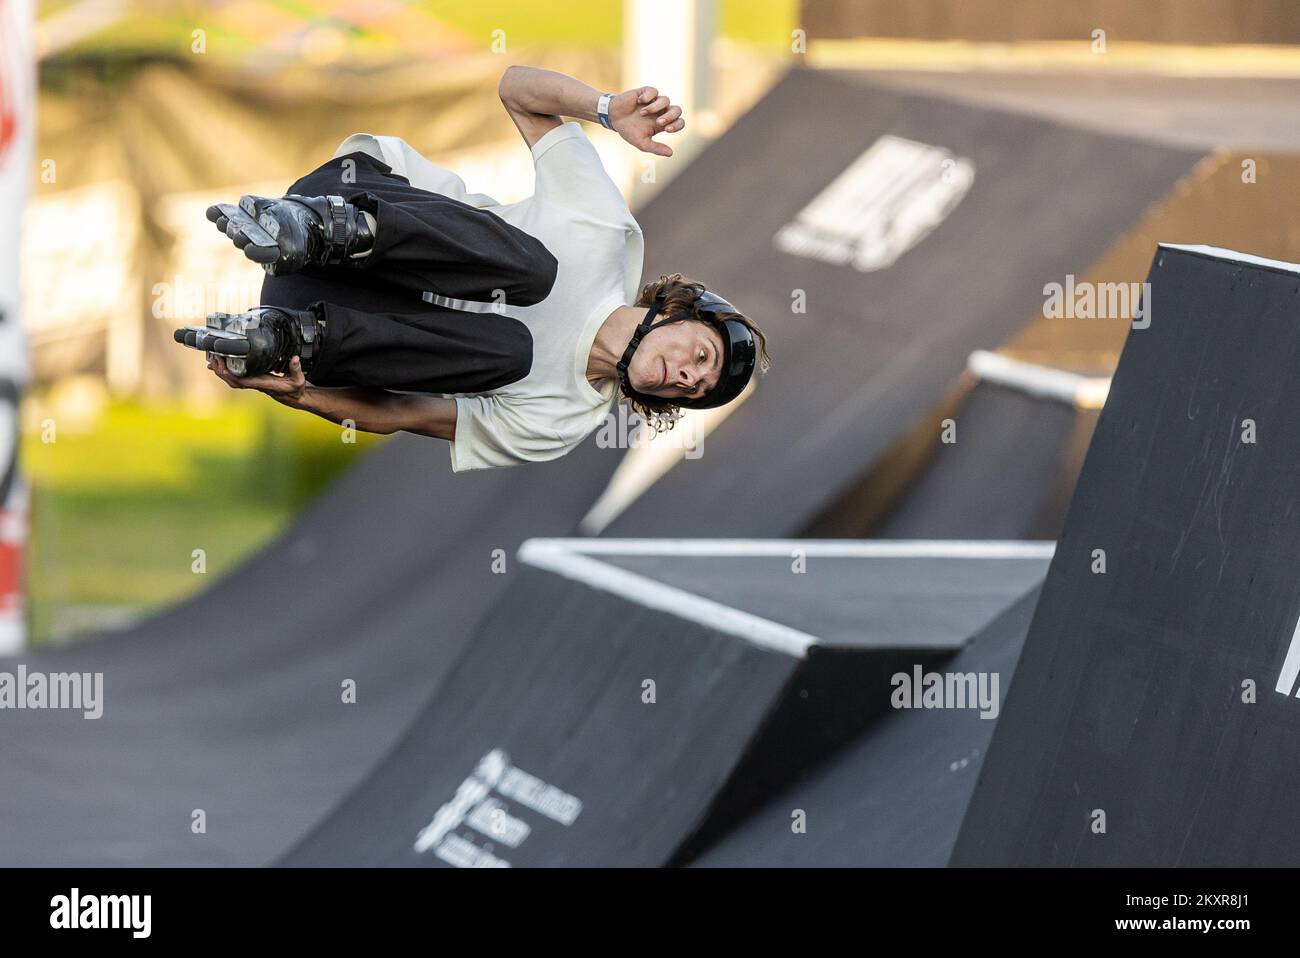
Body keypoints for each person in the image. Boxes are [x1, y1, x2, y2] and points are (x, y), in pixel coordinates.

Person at [176, 65, 770, 471]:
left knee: (512, 352)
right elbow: (517, 89)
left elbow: (401, 412)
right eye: (703, 356)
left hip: (318, 317)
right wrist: (608, 109)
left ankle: (285, 338)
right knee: (538, 273)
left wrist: (299, 393)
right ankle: (337, 233)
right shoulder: (607, 236)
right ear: (679, 311)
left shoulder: (563, 421)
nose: (689, 378)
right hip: (351, 198)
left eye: (696, 389)